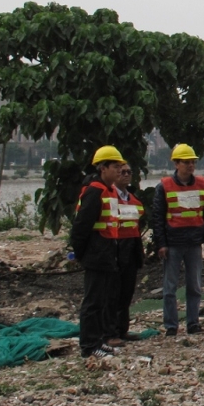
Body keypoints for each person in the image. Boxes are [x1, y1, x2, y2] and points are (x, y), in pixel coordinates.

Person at [151, 144, 204, 337]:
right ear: (176, 164)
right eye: (186, 162)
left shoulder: (202, 184)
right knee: (170, 287)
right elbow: (158, 217)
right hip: (173, 243)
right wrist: (160, 244)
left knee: (194, 286)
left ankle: (193, 323)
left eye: (192, 162)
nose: (190, 166)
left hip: (194, 242)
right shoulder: (164, 186)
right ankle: (171, 325)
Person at [70, 146, 128, 358]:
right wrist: (81, 254)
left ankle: (98, 340)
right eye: (115, 167)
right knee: (93, 302)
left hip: (107, 251)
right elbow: (81, 226)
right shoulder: (95, 190)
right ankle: (88, 346)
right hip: (96, 253)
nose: (119, 171)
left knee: (103, 300)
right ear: (103, 168)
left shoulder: (110, 190)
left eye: (120, 167)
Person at [104, 163, 145, 346]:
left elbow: (136, 226)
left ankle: (122, 329)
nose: (126, 175)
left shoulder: (133, 200)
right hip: (115, 248)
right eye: (122, 172)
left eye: (129, 172)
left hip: (131, 248)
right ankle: (110, 332)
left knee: (127, 292)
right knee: (112, 293)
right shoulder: (109, 197)